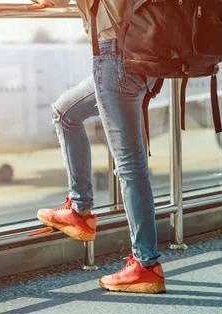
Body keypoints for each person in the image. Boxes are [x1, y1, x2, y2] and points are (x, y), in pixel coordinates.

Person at [33, 0, 166, 294]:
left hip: (116, 57)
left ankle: (146, 264)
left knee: (130, 164)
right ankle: (80, 210)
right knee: (65, 113)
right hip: (148, 51)